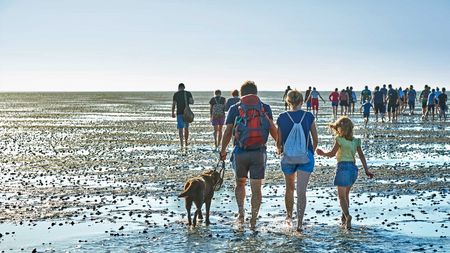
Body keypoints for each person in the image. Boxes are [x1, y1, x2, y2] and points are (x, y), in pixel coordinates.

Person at [219, 80, 277, 230]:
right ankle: (254, 218)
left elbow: (227, 132)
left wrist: (223, 150)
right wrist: (280, 146)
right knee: (257, 189)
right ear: (256, 93)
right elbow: (272, 129)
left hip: (240, 152)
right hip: (259, 152)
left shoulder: (234, 108)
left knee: (240, 184)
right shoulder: (265, 108)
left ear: (241, 93)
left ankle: (241, 213)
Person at [316, 116, 374, 230]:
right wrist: (366, 170)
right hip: (353, 169)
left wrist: (322, 153)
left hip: (343, 168)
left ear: (341, 130)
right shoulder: (356, 141)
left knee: (341, 197)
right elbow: (361, 156)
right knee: (346, 195)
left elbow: (332, 154)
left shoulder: (339, 139)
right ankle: (344, 218)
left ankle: (347, 216)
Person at [276, 89, 318, 232]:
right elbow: (315, 138)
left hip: (288, 157)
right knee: (301, 191)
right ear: (302, 101)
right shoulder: (308, 116)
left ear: (288, 102)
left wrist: (280, 151)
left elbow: (279, 141)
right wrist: (311, 152)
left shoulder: (282, 117)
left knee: (289, 188)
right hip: (306, 157)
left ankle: (289, 218)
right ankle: (299, 224)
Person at [172, 83, 194, 148]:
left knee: (180, 129)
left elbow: (174, 104)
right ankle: (186, 142)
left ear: (178, 87)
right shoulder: (188, 93)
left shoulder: (176, 94)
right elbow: (192, 102)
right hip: (186, 113)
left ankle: (181, 143)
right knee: (186, 128)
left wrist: (172, 112)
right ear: (184, 87)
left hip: (179, 113)